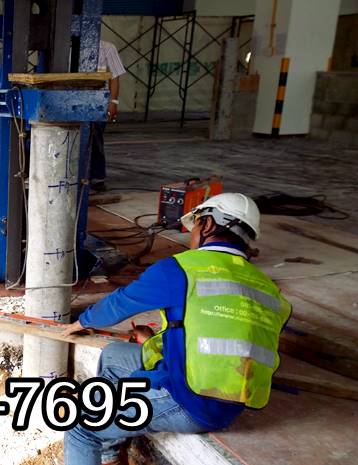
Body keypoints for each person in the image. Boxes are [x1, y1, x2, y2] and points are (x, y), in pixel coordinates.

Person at [61, 193, 292, 465]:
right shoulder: (270, 290)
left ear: (207, 225)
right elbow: (211, 334)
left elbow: (119, 304)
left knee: (80, 427)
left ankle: (101, 430)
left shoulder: (181, 269)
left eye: (195, 225)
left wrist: (82, 322)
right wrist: (153, 340)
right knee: (114, 355)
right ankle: (111, 454)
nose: (192, 234)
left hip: (190, 400)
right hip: (231, 398)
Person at [90, 40, 126, 193]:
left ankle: (97, 177)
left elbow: (115, 77)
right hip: (74, 98)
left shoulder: (107, 48)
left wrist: (113, 102)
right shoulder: (66, 45)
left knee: (96, 138)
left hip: (99, 101)